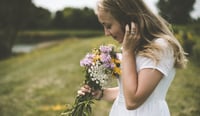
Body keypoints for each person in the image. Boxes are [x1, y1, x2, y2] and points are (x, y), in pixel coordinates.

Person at [77, 0, 188, 115]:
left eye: (108, 26)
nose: (106, 33)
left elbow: (133, 101)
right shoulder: (133, 47)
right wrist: (101, 93)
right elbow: (125, 93)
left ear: (127, 20)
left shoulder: (161, 47)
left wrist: (127, 52)